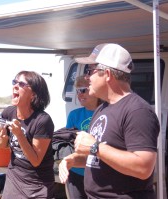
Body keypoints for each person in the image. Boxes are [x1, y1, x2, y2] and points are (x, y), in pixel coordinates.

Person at [59, 43, 160, 199]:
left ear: (107, 74)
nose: (87, 77)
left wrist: (94, 146)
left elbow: (143, 167)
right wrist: (73, 160)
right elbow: (101, 158)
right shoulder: (102, 109)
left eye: (90, 71)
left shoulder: (138, 111)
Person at [0, 70, 55, 199]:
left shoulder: (42, 120)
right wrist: (1, 138)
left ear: (33, 94)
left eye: (22, 84)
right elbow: (2, 145)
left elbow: (35, 160)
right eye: (14, 82)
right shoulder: (8, 113)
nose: (15, 86)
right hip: (14, 178)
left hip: (37, 184)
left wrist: (19, 135)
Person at [65, 75, 101, 199]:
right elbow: (69, 144)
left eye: (83, 90)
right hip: (76, 172)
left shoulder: (107, 112)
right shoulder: (74, 115)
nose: (79, 94)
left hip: (99, 173)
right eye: (77, 91)